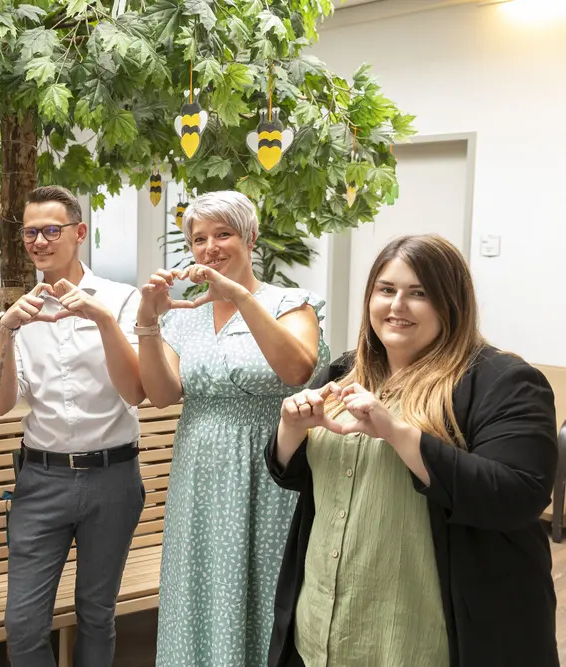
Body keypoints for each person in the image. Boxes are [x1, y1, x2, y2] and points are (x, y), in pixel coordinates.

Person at [266, 234, 558, 667]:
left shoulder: (504, 381)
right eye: (386, 290)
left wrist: (397, 433)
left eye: (418, 293)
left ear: (451, 302)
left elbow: (517, 495)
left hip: (421, 639)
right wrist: (290, 431)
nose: (397, 305)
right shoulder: (347, 371)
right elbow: (303, 474)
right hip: (324, 629)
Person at [137, 190, 329, 666]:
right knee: (201, 581)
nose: (210, 248)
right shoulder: (189, 317)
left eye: (223, 234)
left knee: (267, 582)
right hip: (200, 468)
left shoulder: (291, 303)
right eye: (199, 239)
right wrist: (148, 319)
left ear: (251, 237)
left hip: (272, 465)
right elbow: (161, 394)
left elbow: (297, 370)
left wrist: (241, 296)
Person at [0, 185, 146, 667]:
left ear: (79, 233)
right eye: (30, 232)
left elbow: (134, 391)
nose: (38, 241)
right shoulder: (21, 313)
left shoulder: (120, 300)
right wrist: (6, 330)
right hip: (41, 480)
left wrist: (100, 318)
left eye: (51, 230)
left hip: (113, 477)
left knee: (97, 614)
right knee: (23, 623)